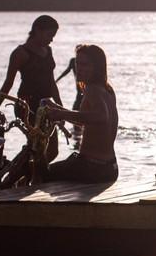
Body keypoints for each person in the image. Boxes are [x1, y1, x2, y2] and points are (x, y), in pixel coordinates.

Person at [42, 45, 119, 184]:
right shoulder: (107, 89)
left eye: (85, 64)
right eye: (77, 63)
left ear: (97, 67)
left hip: (92, 167)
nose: (79, 68)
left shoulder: (92, 88)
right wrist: (58, 109)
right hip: (110, 167)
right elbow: (89, 120)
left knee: (40, 173)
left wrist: (61, 114)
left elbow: (102, 117)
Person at [0, 15, 63, 160]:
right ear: (37, 30)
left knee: (52, 151)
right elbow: (8, 83)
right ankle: (23, 177)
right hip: (27, 105)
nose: (51, 39)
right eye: (49, 35)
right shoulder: (20, 53)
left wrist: (60, 107)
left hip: (47, 105)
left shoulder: (48, 51)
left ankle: (25, 177)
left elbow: (51, 82)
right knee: (37, 149)